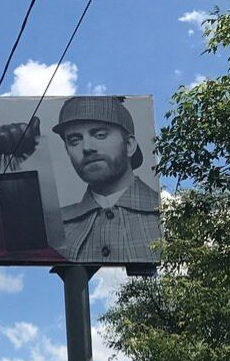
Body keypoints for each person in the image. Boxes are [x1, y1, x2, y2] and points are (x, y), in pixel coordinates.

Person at [51, 96, 161, 264]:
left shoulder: (166, 216)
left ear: (129, 145)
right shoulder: (55, 227)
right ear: (67, 150)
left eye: (100, 135)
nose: (87, 147)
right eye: (75, 140)